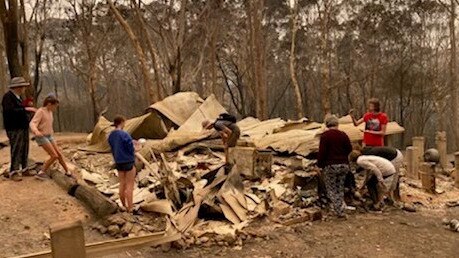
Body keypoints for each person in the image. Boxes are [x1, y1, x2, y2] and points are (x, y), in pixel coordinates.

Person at [2, 77, 37, 181]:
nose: (24, 89)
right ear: (18, 87)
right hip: (14, 127)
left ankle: (25, 168)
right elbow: (10, 111)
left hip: (23, 126)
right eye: (23, 87)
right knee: (16, 149)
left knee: (24, 148)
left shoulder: (18, 97)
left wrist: (26, 107)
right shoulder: (8, 97)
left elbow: (19, 109)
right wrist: (26, 109)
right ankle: (14, 171)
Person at [317, 115, 353, 218]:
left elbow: (322, 152)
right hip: (344, 165)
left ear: (326, 124)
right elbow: (349, 149)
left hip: (330, 166)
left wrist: (319, 165)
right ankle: (340, 208)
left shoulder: (325, 136)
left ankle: (338, 211)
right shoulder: (343, 135)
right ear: (337, 124)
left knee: (331, 188)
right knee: (339, 187)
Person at [30, 95, 71, 179]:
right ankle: (41, 172)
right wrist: (36, 131)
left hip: (49, 136)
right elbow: (33, 123)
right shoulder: (41, 111)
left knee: (58, 153)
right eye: (54, 106)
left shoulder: (50, 112)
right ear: (49, 104)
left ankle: (67, 171)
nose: (55, 108)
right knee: (54, 155)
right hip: (41, 136)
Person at [108, 116, 136, 213]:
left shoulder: (111, 135)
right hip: (128, 161)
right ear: (122, 122)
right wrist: (136, 149)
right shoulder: (125, 134)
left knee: (122, 184)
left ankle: (123, 205)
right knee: (129, 186)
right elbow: (130, 147)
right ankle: (130, 207)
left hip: (118, 161)